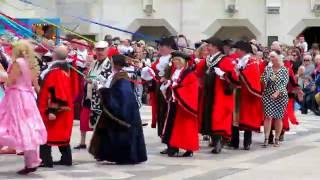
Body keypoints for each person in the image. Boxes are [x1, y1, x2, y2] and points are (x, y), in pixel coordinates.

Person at [88, 54, 147, 164]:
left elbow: (119, 97)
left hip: (120, 114)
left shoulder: (122, 78)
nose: (110, 63)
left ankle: (121, 156)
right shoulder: (115, 75)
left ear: (116, 64)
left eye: (111, 62)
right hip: (111, 112)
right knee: (105, 132)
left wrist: (102, 90)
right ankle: (106, 154)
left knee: (116, 133)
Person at [0, 40, 47, 175]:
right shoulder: (31, 64)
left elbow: (10, 80)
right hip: (28, 97)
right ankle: (32, 161)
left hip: (16, 97)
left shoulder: (18, 63)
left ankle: (27, 158)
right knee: (28, 127)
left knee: (9, 123)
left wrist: (5, 80)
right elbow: (35, 84)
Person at [197, 37, 239, 153]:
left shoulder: (224, 60)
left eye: (209, 45)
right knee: (209, 117)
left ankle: (218, 142)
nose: (207, 48)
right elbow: (197, 72)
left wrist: (223, 75)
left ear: (215, 47)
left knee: (218, 118)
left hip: (220, 94)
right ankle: (214, 140)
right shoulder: (207, 60)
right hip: (208, 93)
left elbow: (234, 78)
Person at [38, 45, 74, 168]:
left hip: (52, 109)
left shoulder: (55, 71)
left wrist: (52, 110)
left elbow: (55, 91)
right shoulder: (65, 69)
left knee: (45, 133)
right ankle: (66, 158)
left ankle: (46, 160)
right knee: (61, 133)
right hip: (64, 107)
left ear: (54, 55)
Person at [141, 36, 178, 154]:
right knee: (162, 116)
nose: (159, 48)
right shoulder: (160, 60)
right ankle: (167, 141)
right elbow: (152, 72)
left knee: (169, 116)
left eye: (162, 46)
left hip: (170, 91)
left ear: (169, 47)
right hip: (160, 91)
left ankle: (173, 144)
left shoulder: (175, 58)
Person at [160, 51, 199, 157]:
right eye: (174, 60)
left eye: (178, 60)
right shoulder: (176, 72)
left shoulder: (189, 74)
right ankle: (172, 147)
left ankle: (188, 148)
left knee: (185, 127)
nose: (175, 62)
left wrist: (175, 88)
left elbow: (190, 88)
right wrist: (168, 84)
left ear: (183, 62)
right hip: (173, 102)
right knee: (171, 126)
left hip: (182, 104)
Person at [231, 41, 263, 150]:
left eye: (237, 50)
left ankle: (247, 142)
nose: (236, 51)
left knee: (247, 117)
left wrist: (239, 73)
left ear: (243, 50)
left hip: (247, 93)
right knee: (234, 118)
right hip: (236, 92)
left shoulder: (252, 62)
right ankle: (234, 141)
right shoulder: (237, 61)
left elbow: (252, 74)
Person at [262, 51, 289, 147]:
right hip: (268, 95)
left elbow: (284, 84)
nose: (271, 58)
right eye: (270, 57)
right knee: (268, 116)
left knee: (278, 117)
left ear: (278, 58)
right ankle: (266, 138)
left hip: (281, 96)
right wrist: (265, 80)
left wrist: (277, 93)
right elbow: (263, 80)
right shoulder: (268, 69)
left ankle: (277, 138)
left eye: (273, 56)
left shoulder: (284, 70)